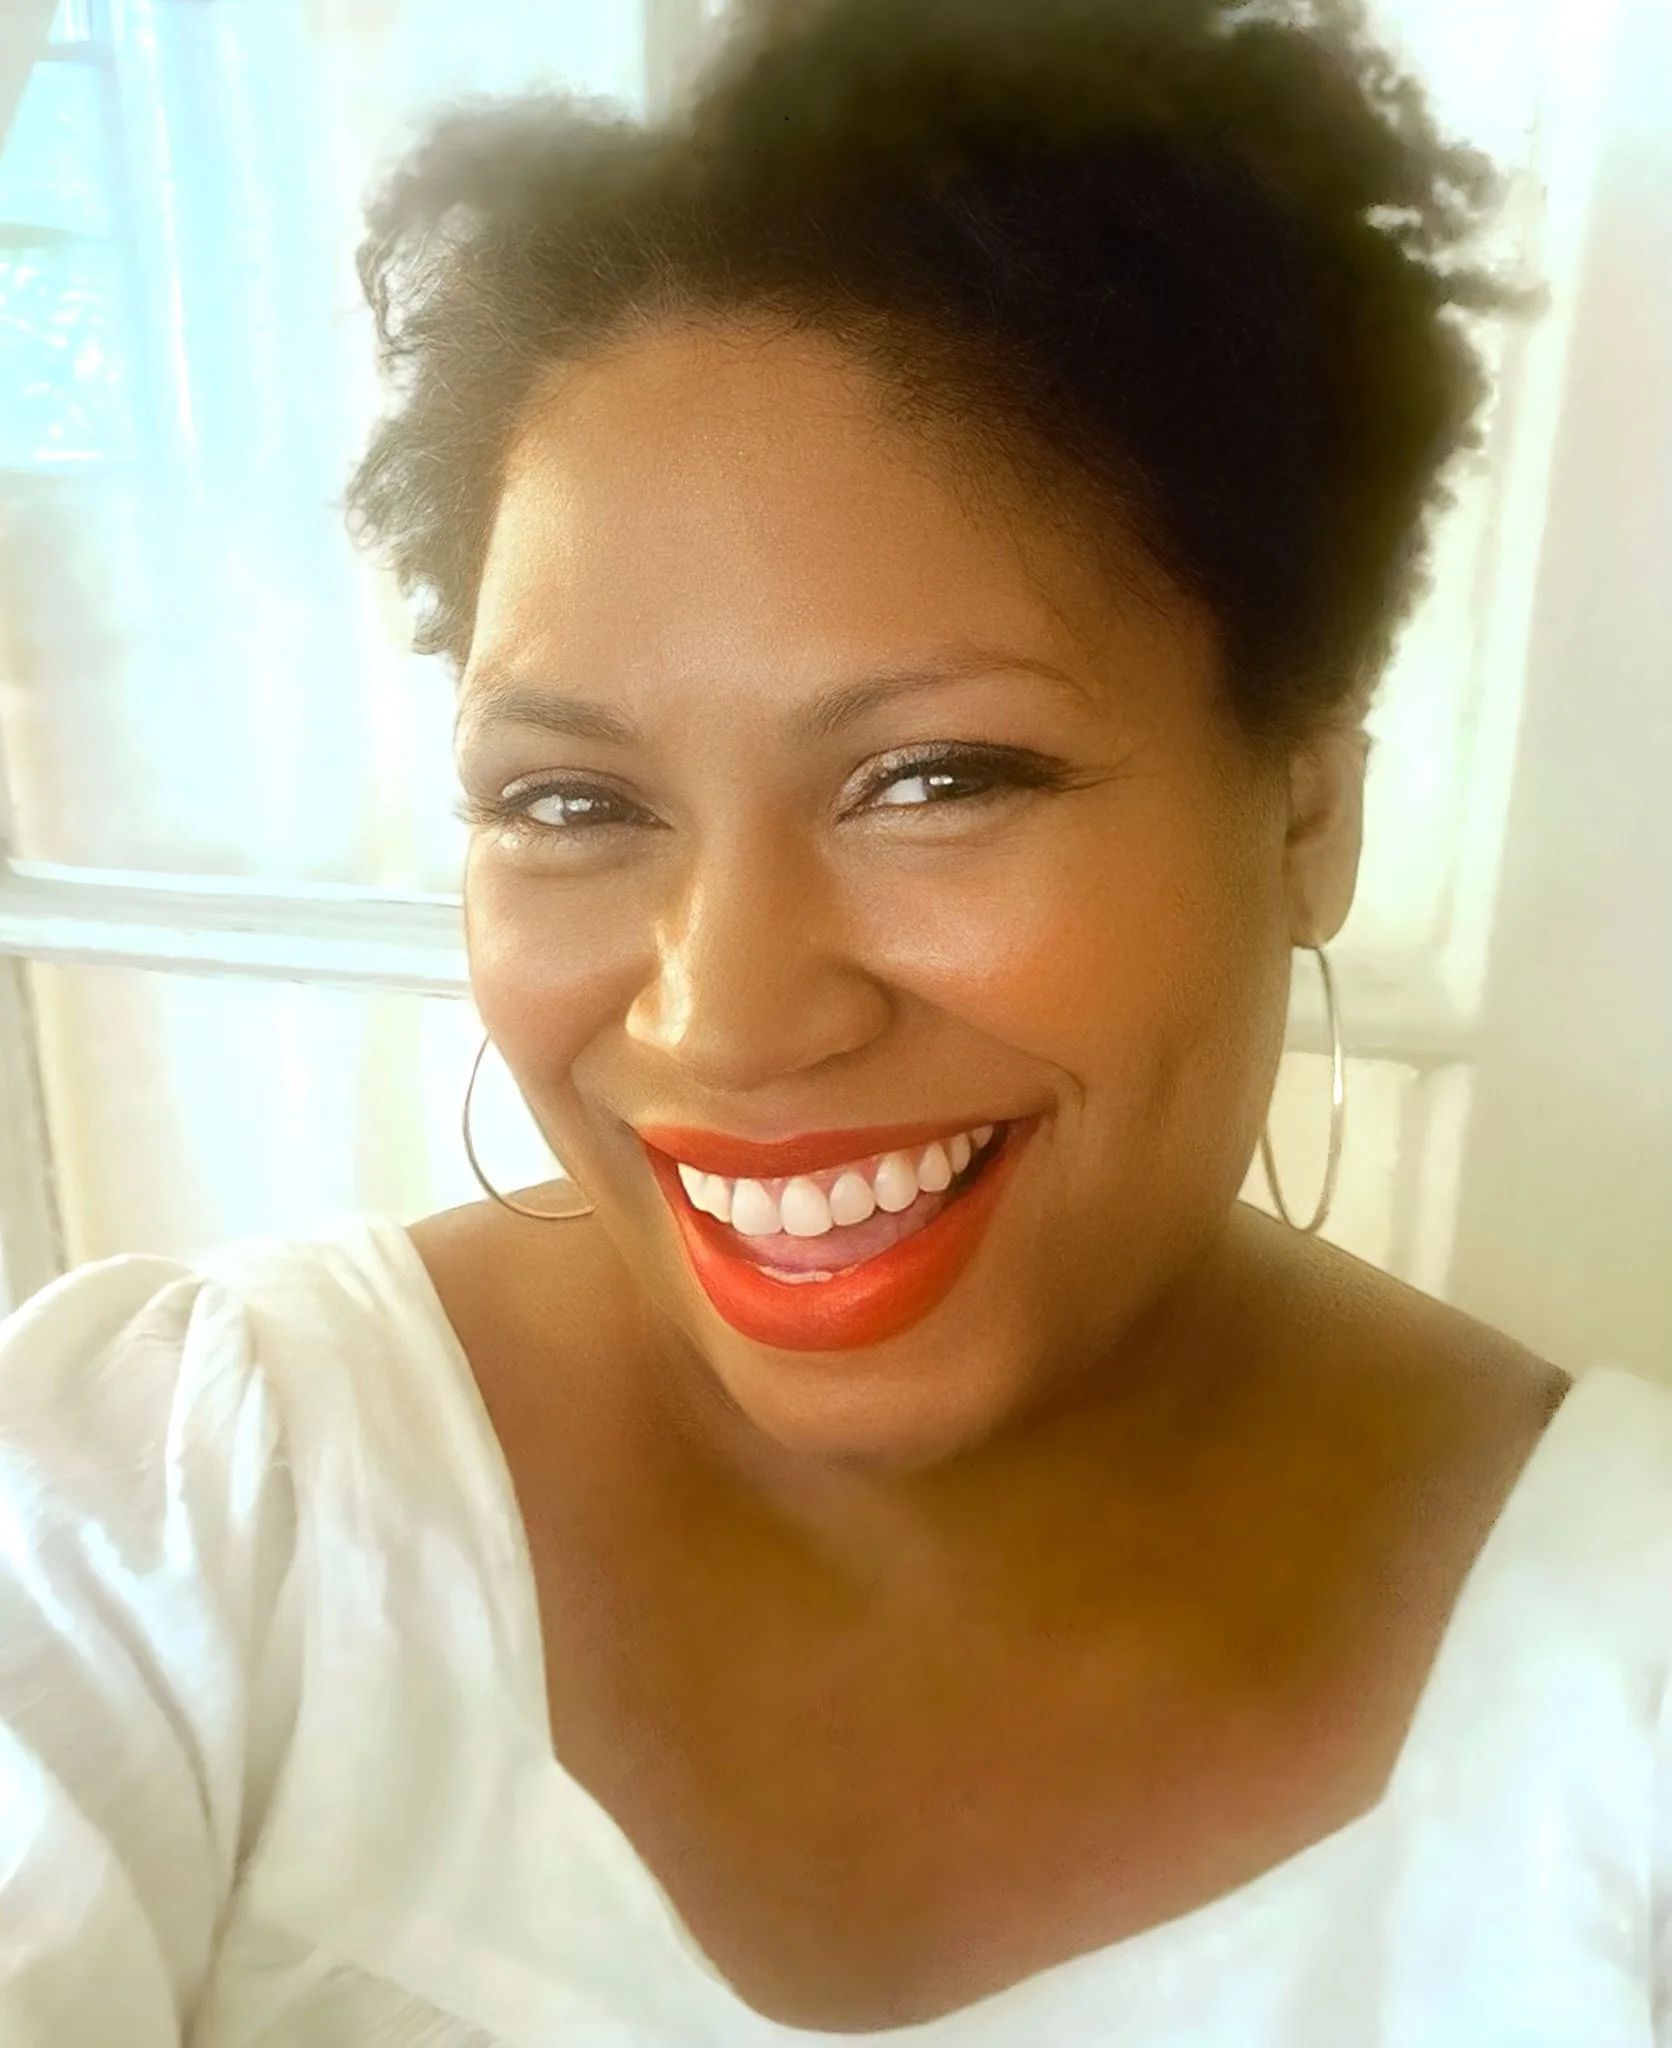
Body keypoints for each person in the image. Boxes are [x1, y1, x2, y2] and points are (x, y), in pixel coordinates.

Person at [2, 0, 1668, 2039]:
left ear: (1303, 804)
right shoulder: (190, 1511)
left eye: (934, 776)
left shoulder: (1618, 1687)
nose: (722, 1014)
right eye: (573, 801)